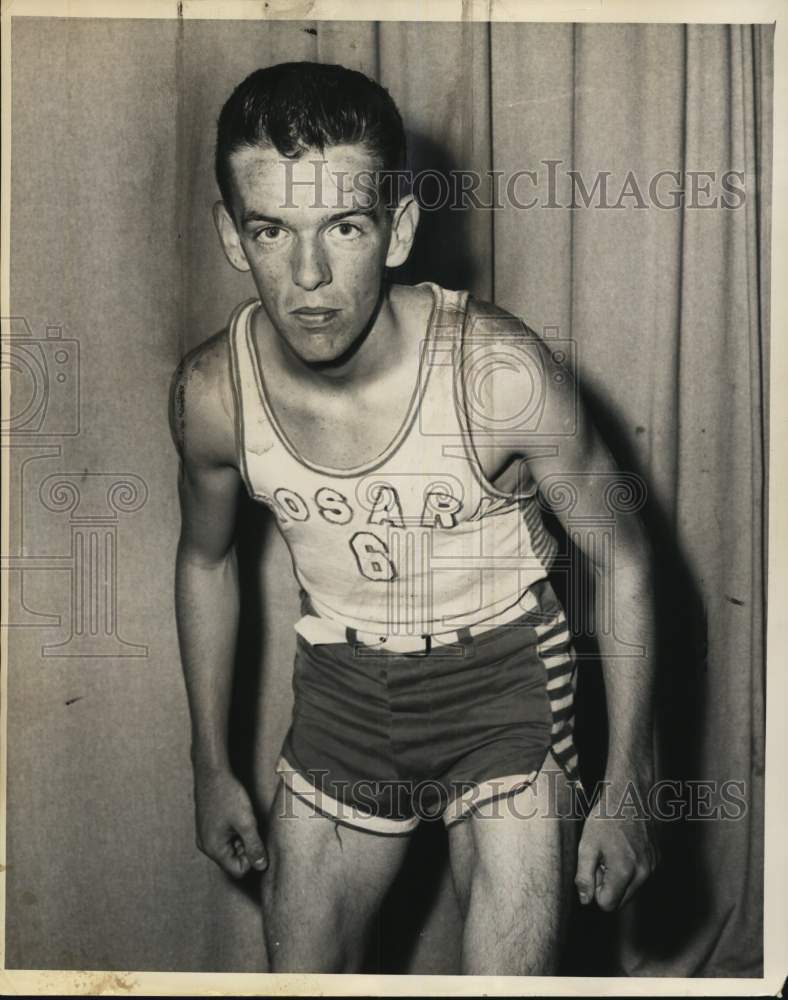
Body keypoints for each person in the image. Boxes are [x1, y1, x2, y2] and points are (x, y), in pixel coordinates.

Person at [170, 61, 658, 975]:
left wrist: (630, 780)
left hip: (505, 683)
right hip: (342, 689)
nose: (309, 277)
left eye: (342, 227)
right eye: (272, 230)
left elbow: (623, 560)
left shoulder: (499, 373)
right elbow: (205, 563)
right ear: (231, 237)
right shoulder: (212, 396)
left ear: (395, 230)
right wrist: (209, 764)